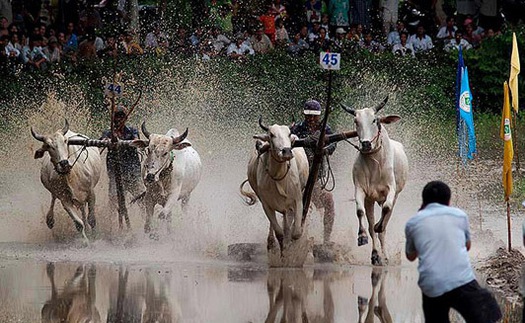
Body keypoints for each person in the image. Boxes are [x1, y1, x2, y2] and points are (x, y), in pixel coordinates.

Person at [405, 181, 502, 323]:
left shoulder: (413, 222)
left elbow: (410, 256)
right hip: (462, 281)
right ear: (449, 201)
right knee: (489, 311)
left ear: (423, 201)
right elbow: (467, 246)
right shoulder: (460, 215)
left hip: (431, 286)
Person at [290, 100, 336, 244]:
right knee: (293, 208)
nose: (311, 119)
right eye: (308, 116)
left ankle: (326, 240)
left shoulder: (325, 129)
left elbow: (333, 142)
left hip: (315, 179)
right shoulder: (296, 129)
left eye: (314, 116)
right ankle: (288, 237)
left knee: (328, 202)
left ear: (319, 116)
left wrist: (325, 149)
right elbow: (286, 141)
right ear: (304, 115)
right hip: (295, 179)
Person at [100, 106, 144, 207]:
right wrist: (108, 140)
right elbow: (103, 139)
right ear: (112, 118)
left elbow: (136, 140)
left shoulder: (132, 131)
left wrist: (121, 142)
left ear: (126, 118)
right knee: (114, 201)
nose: (118, 119)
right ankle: (112, 221)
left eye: (121, 116)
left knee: (141, 198)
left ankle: (146, 220)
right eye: (116, 116)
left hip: (132, 171)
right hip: (115, 171)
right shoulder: (108, 132)